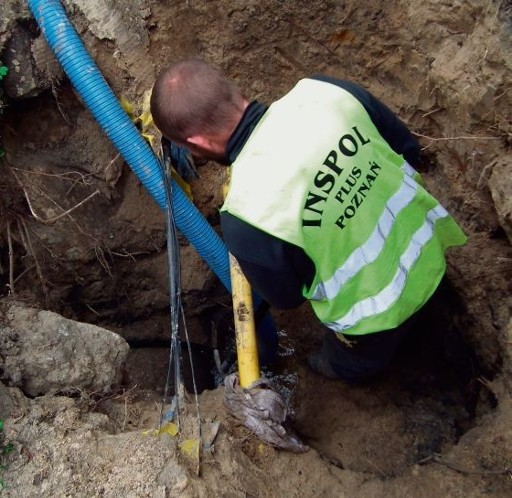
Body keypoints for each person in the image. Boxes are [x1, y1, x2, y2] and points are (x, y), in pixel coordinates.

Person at [150, 59, 467, 382]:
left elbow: (287, 297)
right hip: (429, 248)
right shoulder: (326, 93)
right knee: (441, 321)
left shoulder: (245, 214)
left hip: (376, 315)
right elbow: (407, 148)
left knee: (348, 360)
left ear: (199, 143)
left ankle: (347, 370)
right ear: (232, 89)